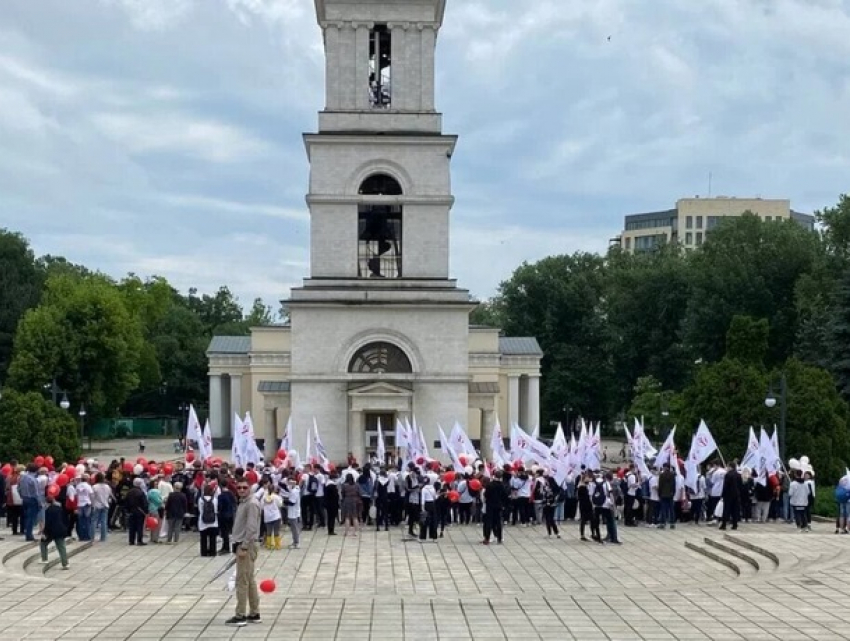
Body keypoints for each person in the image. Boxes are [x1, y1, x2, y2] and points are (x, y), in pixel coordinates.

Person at [226, 480, 261, 627]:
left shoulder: (251, 503)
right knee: (250, 579)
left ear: (250, 489)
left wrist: (245, 546)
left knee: (242, 581)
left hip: (246, 544)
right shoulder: (243, 502)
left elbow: (252, 527)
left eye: (244, 487)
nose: (241, 490)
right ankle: (254, 613)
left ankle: (240, 615)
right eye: (239, 487)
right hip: (243, 543)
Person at [39, 493, 70, 570]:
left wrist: (44, 533)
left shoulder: (48, 511)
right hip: (60, 530)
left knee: (43, 543)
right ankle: (65, 564)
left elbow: (48, 523)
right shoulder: (59, 508)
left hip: (52, 531)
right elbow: (65, 519)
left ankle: (44, 559)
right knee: (61, 547)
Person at [482, 471, 508, 545]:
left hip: (490, 505)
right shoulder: (501, 485)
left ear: (494, 476)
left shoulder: (489, 485)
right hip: (498, 505)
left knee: (489, 522)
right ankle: (499, 538)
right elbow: (505, 496)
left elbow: (486, 495)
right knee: (498, 522)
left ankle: (487, 538)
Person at [125, 478, 148, 546]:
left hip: (131, 511)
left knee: (132, 526)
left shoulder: (129, 492)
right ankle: (139, 540)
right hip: (140, 512)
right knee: (139, 526)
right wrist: (146, 511)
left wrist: (127, 510)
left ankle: (131, 541)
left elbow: (126, 502)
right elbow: (144, 503)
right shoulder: (141, 492)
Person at [718, 463, 742, 531]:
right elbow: (740, 485)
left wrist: (722, 494)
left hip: (728, 495)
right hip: (736, 495)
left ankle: (724, 525)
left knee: (726, 510)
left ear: (730, 467)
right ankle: (735, 524)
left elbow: (725, 486)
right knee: (735, 510)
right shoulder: (738, 475)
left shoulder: (728, 475)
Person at [91, 473, 113, 542]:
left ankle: (92, 537)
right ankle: (103, 537)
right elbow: (110, 495)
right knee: (104, 521)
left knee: (94, 521)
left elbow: (92, 497)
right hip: (105, 505)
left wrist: (92, 504)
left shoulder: (94, 487)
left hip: (97, 505)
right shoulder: (107, 487)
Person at [282, 477, 302, 549]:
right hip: (292, 512)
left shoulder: (294, 491)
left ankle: (296, 543)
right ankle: (295, 542)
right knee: (293, 528)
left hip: (294, 513)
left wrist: (283, 501)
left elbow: (292, 503)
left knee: (294, 529)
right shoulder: (293, 490)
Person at [340, 472, 360, 537]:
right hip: (355, 500)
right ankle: (356, 532)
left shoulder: (344, 485)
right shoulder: (356, 485)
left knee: (347, 517)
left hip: (347, 500)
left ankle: (347, 532)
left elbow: (342, 493)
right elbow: (359, 493)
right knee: (355, 516)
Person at [657, 464, 676, 529]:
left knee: (663, 509)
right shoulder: (672, 475)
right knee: (671, 509)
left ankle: (663, 523)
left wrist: (659, 494)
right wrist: (673, 493)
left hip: (663, 494)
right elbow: (674, 485)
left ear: (665, 467)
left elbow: (660, 486)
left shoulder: (662, 475)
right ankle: (672, 523)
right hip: (670, 494)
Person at [324, 471, 340, 535]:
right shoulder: (333, 486)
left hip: (328, 503)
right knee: (332, 517)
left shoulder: (326, 485)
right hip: (333, 504)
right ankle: (331, 530)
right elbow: (336, 496)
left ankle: (329, 530)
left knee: (329, 517)